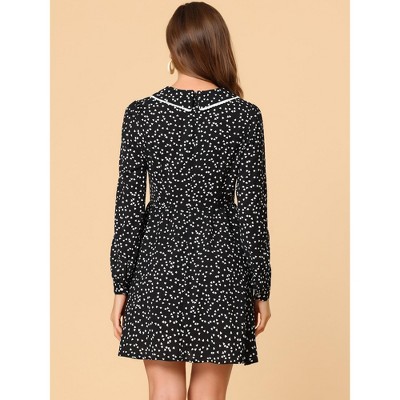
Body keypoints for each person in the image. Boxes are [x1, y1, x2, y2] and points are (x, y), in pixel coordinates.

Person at [109, 2, 272, 399]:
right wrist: (260, 287)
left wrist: (121, 285)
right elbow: (252, 211)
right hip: (221, 267)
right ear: (219, 47)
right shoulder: (244, 116)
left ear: (174, 49)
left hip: (157, 265)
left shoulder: (141, 114)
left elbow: (128, 209)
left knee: (163, 391)